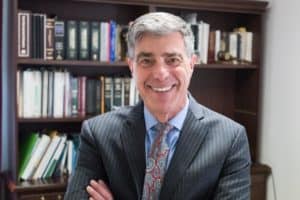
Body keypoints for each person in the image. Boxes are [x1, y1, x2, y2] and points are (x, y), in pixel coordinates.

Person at [64, 12, 251, 200]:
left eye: (172, 60)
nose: (160, 74)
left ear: (192, 64)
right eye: (146, 61)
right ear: (131, 66)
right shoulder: (98, 133)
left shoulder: (230, 139)